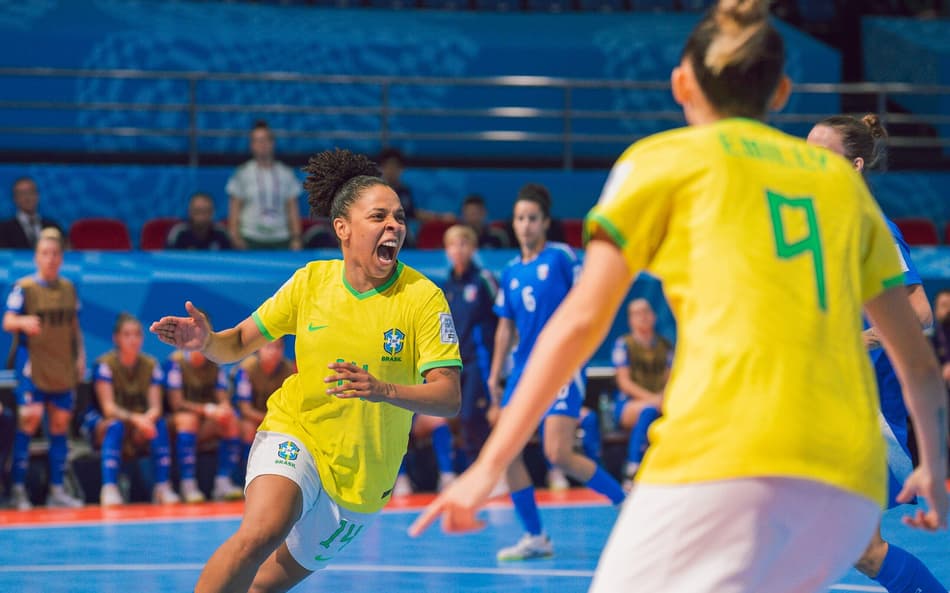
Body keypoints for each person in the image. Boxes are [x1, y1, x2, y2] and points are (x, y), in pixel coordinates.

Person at [410, 3, 949, 593]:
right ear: (782, 92)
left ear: (681, 83)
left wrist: (487, 466)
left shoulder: (660, 162)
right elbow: (918, 361)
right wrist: (933, 463)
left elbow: (580, 323)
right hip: (844, 476)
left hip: (726, 458)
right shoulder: (843, 190)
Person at [149, 147, 461, 593]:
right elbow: (236, 343)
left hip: (361, 480)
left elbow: (449, 396)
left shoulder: (423, 299)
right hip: (297, 432)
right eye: (378, 217)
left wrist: (382, 389)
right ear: (343, 229)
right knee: (261, 532)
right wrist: (206, 342)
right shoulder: (310, 282)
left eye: (398, 217)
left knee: (262, 586)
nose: (394, 225)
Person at [807, 113, 947, 593]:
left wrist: (859, 338)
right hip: (816, 402)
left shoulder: (872, 229)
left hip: (863, 412)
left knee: (864, 552)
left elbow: (921, 312)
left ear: (856, 165)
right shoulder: (815, 228)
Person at [485, 182, 625, 561]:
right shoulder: (511, 271)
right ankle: (535, 536)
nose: (525, 225)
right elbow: (504, 328)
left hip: (561, 365)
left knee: (558, 453)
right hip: (523, 371)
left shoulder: (562, 258)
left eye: (532, 218)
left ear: (545, 223)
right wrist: (495, 374)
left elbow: (588, 299)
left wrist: (581, 350)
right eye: (519, 218)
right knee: (505, 452)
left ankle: (624, 504)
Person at [3, 228, 85, 510]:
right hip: (33, 368)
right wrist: (23, 322)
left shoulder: (68, 289)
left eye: (55, 254)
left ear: (61, 258)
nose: (50, 259)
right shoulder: (24, 288)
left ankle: (57, 490)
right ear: (37, 257)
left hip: (61, 366)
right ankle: (17, 489)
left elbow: (75, 328)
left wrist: (80, 357)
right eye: (45, 254)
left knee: (60, 426)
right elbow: (8, 321)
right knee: (29, 420)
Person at [81, 313, 179, 506]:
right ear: (116, 338)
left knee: (159, 424)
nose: (132, 340)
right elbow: (108, 409)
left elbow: (156, 408)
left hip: (138, 423)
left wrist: (146, 420)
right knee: (115, 426)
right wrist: (138, 420)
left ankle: (162, 487)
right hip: (103, 423)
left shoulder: (151, 365)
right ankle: (109, 488)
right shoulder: (105, 365)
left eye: (136, 335)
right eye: (127, 335)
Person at [441, 224, 498, 468]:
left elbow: (504, 318)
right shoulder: (447, 287)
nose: (458, 250)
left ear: (473, 248)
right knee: (459, 419)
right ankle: (474, 469)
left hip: (480, 360)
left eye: (463, 244)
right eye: (453, 245)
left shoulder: (483, 280)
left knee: (473, 417)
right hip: (455, 362)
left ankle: (487, 469)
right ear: (446, 251)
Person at [165, 347, 243, 502]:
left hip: (204, 423)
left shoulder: (214, 363)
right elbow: (176, 404)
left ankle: (222, 482)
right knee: (188, 420)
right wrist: (206, 409)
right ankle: (188, 484)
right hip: (176, 423)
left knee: (231, 419)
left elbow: (223, 399)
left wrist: (224, 408)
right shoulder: (176, 363)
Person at [610, 298, 672, 487]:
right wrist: (653, 399)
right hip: (628, 404)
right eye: (637, 313)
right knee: (648, 411)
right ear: (630, 320)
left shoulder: (665, 346)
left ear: (653, 317)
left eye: (646, 312)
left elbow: (671, 380)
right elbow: (624, 382)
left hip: (659, 400)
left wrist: (662, 397)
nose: (643, 317)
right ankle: (633, 467)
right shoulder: (624, 344)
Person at [226, 120, 303, 250]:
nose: (262, 144)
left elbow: (292, 209)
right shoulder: (242, 173)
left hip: (281, 239)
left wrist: (296, 237)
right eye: (257, 140)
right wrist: (235, 237)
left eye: (265, 140)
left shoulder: (286, 173)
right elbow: (235, 208)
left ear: (272, 143)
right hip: (250, 238)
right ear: (252, 145)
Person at [233, 337, 294, 477]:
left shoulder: (288, 369)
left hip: (276, 419)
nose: (274, 352)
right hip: (249, 418)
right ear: (259, 349)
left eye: (278, 347)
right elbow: (245, 410)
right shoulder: (246, 369)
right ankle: (245, 476)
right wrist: (270, 421)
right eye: (269, 347)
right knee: (248, 429)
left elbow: (290, 405)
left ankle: (282, 475)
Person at [0, 177, 63, 250]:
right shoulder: (3, 230)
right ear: (15, 198)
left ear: (37, 195)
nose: (27, 197)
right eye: (22, 193)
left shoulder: (53, 226)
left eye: (31, 192)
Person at [166, 192, 232, 250]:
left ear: (213, 213)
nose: (201, 216)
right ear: (190, 212)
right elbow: (169, 259)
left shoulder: (221, 233)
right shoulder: (178, 233)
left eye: (206, 211)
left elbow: (229, 258)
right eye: (198, 211)